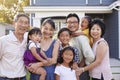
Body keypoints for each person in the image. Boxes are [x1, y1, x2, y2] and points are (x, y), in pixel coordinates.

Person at [0, 13, 29, 80]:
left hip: (22, 78)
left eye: (26, 23)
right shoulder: (3, 41)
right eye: (21, 22)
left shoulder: (27, 41)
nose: (23, 25)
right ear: (14, 23)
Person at [66, 13, 95, 80]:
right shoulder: (68, 36)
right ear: (66, 24)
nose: (72, 24)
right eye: (69, 22)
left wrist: (81, 66)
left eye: (75, 22)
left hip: (80, 73)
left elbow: (90, 56)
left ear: (78, 24)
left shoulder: (82, 37)